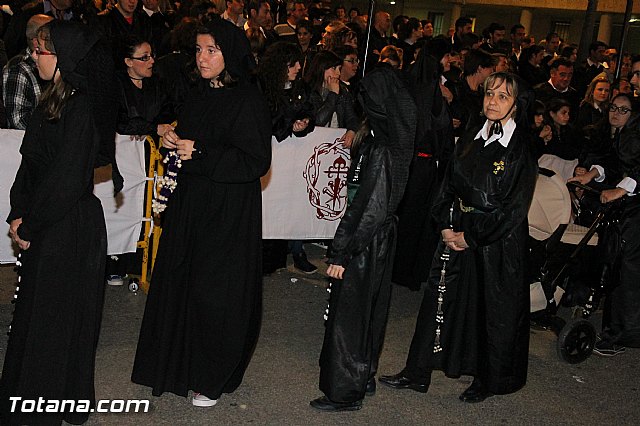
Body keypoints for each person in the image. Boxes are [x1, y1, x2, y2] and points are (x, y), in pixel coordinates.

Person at [131, 16, 272, 407]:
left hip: (227, 212)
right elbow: (192, 140)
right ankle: (176, 366)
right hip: (192, 205)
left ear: (230, 53)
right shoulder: (196, 94)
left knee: (216, 294)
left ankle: (211, 376)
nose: (203, 57)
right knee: (183, 283)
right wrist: (175, 138)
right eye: (198, 49)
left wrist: (202, 152)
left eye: (212, 50)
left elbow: (255, 160)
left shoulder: (248, 99)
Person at [380, 72, 537, 403]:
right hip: (455, 230)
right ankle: (417, 370)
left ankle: (485, 377)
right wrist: (445, 224)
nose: (493, 101)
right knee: (438, 300)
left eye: (503, 97)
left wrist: (473, 236)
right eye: (489, 94)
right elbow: (447, 183)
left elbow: (513, 209)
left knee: (486, 310)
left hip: (495, 243)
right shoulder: (470, 136)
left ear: (515, 104)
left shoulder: (520, 148)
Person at [1, 20, 119, 425]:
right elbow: (30, 165)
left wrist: (30, 226)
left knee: (56, 321)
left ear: (64, 57)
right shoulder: (50, 99)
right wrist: (18, 213)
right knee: (36, 316)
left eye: (41, 51)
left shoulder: (82, 107)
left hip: (68, 226)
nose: (34, 57)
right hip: (45, 219)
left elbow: (66, 179)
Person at [310, 55, 417, 413]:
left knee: (350, 318)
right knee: (370, 313)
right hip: (380, 238)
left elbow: (368, 208)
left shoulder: (384, 149)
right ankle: (364, 375)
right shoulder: (391, 138)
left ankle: (344, 391)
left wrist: (340, 252)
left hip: (366, 240)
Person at [570, 93, 640, 356]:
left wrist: (620, 190)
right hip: (627, 211)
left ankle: (621, 334)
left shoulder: (632, 134)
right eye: (614, 108)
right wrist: (591, 173)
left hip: (634, 213)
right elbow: (611, 163)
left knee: (628, 270)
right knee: (612, 259)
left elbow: (634, 172)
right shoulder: (617, 135)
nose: (616, 113)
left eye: (624, 110)